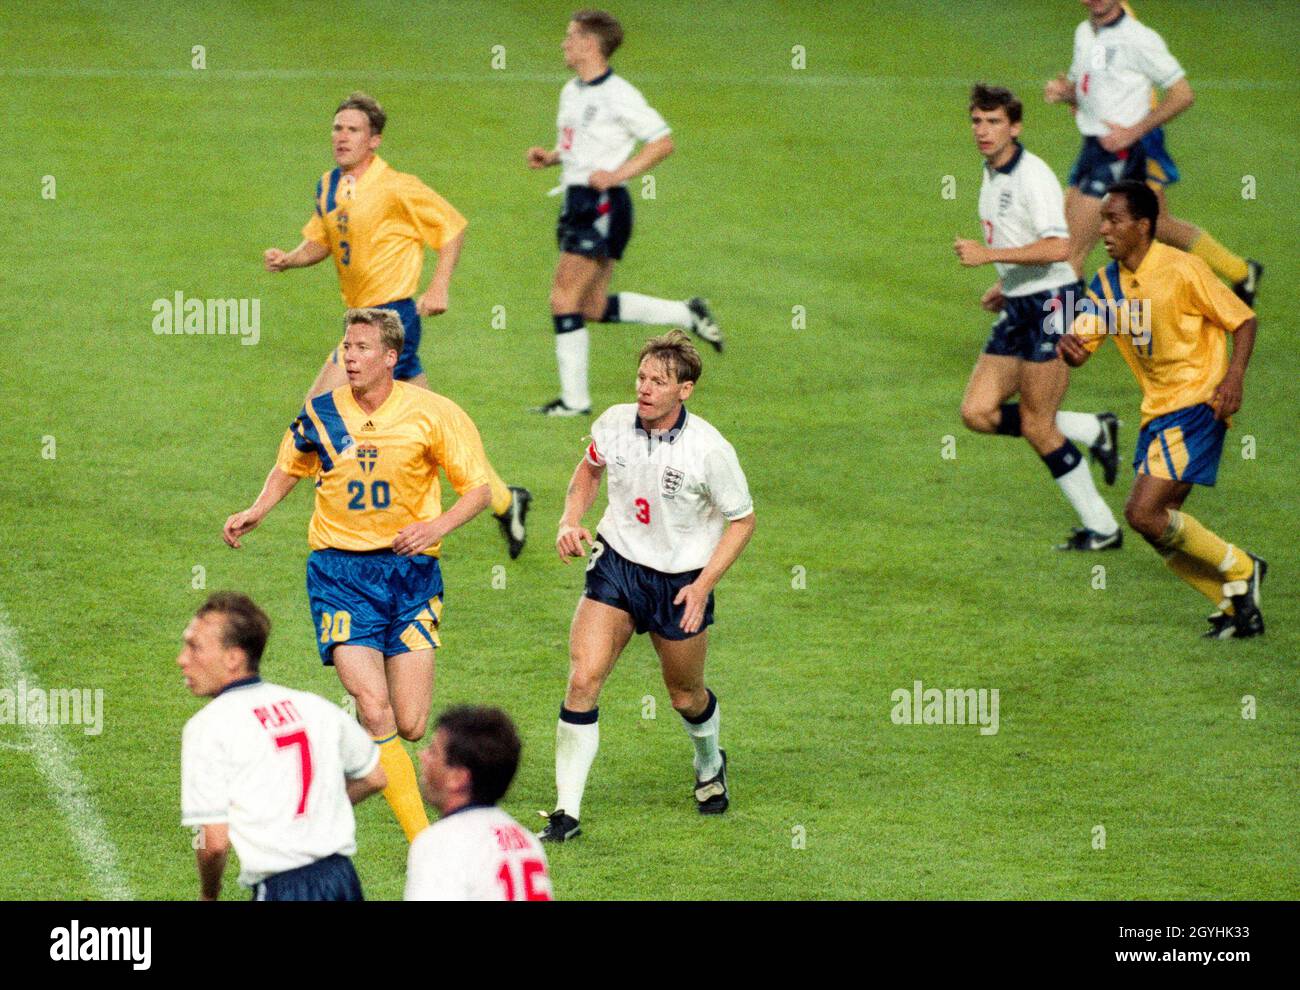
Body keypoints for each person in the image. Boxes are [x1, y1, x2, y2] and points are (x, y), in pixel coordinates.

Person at [222, 308, 495, 842]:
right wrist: (259, 508)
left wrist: (435, 525)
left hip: (412, 574)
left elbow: (479, 489)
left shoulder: (434, 414)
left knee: (410, 723)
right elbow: (291, 465)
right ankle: (426, 842)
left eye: (362, 348)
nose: (349, 357)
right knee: (374, 707)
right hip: (340, 572)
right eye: (346, 347)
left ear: (391, 357)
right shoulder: (322, 413)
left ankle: (334, 770)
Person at [264, 91, 531, 558]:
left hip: (390, 320)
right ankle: (507, 502)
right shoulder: (329, 186)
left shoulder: (398, 186)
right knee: (436, 422)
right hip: (362, 319)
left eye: (352, 130)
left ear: (374, 140)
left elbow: (451, 228)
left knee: (318, 408)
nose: (341, 137)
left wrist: (439, 287)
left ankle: (348, 508)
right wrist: (289, 260)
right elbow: (323, 241)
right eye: (337, 128)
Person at [538, 330, 755, 842]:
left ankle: (708, 763)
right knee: (583, 677)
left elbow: (742, 521)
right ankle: (567, 812)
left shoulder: (710, 450)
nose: (645, 388)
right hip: (616, 564)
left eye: (659, 381)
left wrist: (703, 586)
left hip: (681, 582)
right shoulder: (614, 422)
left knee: (685, 695)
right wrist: (570, 518)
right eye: (641, 377)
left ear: (686, 390)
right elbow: (590, 468)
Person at [1058, 180, 1265, 639]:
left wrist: (1234, 378)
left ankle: (1244, 568)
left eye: (1114, 220)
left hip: (1199, 401)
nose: (1103, 228)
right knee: (1158, 526)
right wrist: (1071, 348)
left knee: (1141, 513)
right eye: (1103, 218)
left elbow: (1243, 319)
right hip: (1158, 411)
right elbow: (1083, 344)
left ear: (1143, 226)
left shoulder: (1183, 269)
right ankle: (1234, 605)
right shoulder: (1106, 282)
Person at [526, 9, 724, 417]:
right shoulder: (573, 90)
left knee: (563, 298)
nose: (563, 44)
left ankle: (574, 403)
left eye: (570, 36)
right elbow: (579, 144)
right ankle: (687, 312)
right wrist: (551, 157)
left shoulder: (619, 94)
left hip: (602, 205)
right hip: (579, 200)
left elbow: (661, 141)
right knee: (591, 307)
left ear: (589, 43)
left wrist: (617, 174)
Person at [955, 84, 1123, 551]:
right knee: (977, 412)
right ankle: (1093, 429)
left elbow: (1060, 248)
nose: (983, 131)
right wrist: (1005, 282)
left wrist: (989, 256)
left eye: (993, 122)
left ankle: (1104, 528)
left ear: (1015, 127)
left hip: (1056, 305)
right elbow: (1026, 240)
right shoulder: (992, 171)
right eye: (977, 121)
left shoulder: (1033, 175)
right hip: (1022, 301)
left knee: (1037, 425)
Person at [1044, 0, 1261, 302]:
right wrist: (1066, 94)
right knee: (1154, 224)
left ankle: (1059, 339)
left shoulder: (1136, 36)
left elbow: (1182, 93)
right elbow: (1091, 88)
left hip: (1128, 150)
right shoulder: (1085, 32)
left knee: (1069, 250)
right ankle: (1238, 272)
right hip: (1095, 148)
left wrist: (1132, 132)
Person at [179, 592, 388, 901]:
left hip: (283, 889)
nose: (182, 659)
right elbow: (375, 777)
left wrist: (209, 895)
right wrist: (311, 813)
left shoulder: (207, 727)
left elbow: (215, 844)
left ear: (233, 657)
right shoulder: (312, 706)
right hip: (342, 880)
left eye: (194, 647)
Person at [405, 706, 553, 900]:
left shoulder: (440, 844)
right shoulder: (525, 840)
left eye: (433, 752)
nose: (422, 756)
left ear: (457, 778)